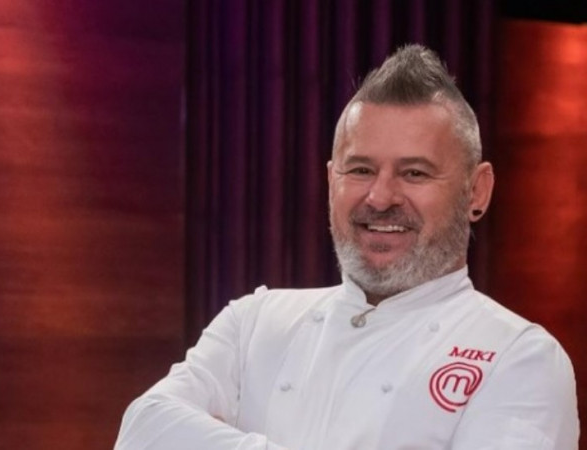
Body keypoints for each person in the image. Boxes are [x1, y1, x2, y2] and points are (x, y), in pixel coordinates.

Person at [114, 44, 579, 449]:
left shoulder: (520, 358)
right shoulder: (252, 323)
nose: (380, 197)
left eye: (414, 173)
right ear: (330, 180)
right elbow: (143, 429)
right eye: (360, 170)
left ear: (477, 191)